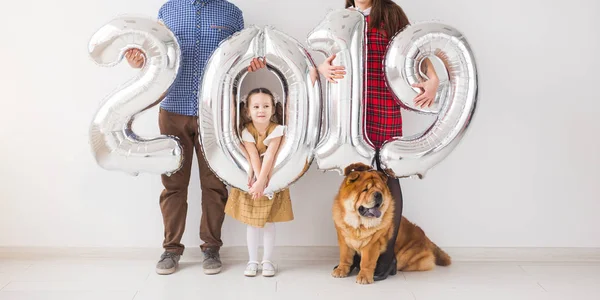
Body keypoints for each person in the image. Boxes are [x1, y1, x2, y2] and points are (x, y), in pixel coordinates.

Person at [125, 0, 267, 275]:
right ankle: (170, 249)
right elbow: (157, 56)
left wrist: (253, 64)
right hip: (173, 111)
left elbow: (241, 56)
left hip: (216, 113)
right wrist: (138, 61)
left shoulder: (232, 13)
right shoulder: (167, 11)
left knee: (214, 185)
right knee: (173, 184)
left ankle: (211, 248)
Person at [317, 0, 440, 281]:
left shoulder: (390, 14)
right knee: (357, 181)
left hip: (383, 104)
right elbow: (330, 54)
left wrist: (432, 79)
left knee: (387, 178)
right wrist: (322, 68)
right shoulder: (344, 17)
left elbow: (416, 48)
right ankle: (356, 257)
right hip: (351, 111)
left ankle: (384, 260)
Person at [223, 88, 293, 277]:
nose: (261, 110)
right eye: (256, 106)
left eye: (265, 106)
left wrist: (262, 181)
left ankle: (268, 261)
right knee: (252, 224)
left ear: (272, 109)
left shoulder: (277, 130)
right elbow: (254, 155)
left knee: (269, 223)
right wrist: (256, 181)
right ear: (248, 110)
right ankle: (252, 260)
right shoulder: (247, 131)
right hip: (254, 181)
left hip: (270, 180)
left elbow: (269, 156)